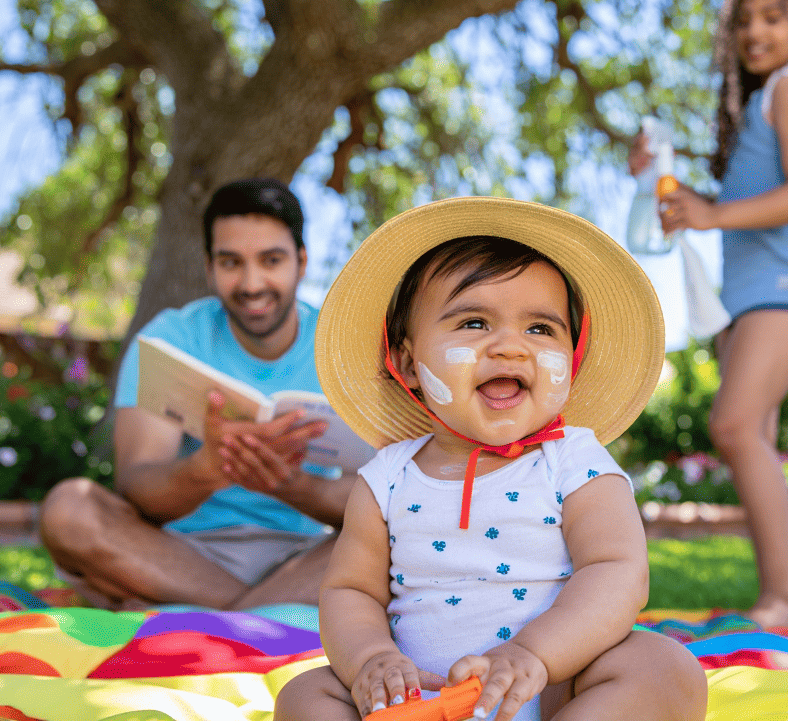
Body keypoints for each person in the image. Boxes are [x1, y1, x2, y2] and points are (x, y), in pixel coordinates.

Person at [275, 197, 707, 721]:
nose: (510, 346)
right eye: (475, 323)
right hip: (419, 701)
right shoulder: (388, 478)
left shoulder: (574, 462)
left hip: (546, 693)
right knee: (305, 696)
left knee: (663, 666)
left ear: (571, 360)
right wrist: (372, 658)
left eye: (541, 329)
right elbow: (350, 590)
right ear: (409, 364)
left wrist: (535, 654)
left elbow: (617, 571)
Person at [629, 0, 788, 631]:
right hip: (752, 294)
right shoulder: (762, 100)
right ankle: (776, 597)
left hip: (786, 291)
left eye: (774, 16)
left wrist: (711, 214)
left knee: (732, 427)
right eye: (746, 19)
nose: (756, 30)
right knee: (752, 435)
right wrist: (667, 184)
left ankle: (785, 600)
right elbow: (747, 195)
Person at [38, 178, 356, 611]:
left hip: (308, 556)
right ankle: (263, 614)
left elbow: (384, 495)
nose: (251, 283)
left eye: (271, 260)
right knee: (68, 508)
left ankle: (198, 611)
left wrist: (293, 485)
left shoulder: (345, 350)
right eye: (231, 262)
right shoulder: (171, 339)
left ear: (301, 262)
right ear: (209, 267)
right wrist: (207, 470)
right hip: (185, 556)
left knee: (401, 531)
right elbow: (137, 485)